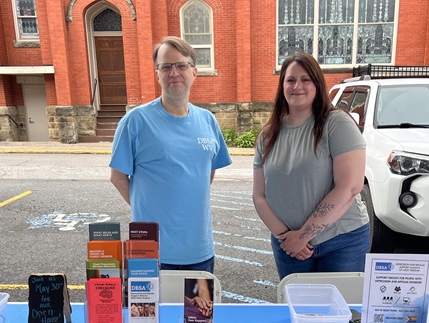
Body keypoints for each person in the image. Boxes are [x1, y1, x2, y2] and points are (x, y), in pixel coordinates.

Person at [109, 36, 232, 273]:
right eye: (166, 66)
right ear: (157, 74)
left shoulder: (207, 120)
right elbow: (117, 177)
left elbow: (208, 170)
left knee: (198, 300)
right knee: (150, 301)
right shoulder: (135, 121)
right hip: (150, 250)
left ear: (194, 72)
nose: (174, 72)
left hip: (199, 248)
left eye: (181, 65)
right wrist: (149, 210)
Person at [252, 52, 369, 280]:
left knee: (341, 304)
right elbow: (259, 196)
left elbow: (350, 187)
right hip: (288, 245)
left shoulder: (337, 123)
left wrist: (303, 236)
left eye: (305, 79)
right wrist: (285, 237)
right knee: (296, 303)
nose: (297, 86)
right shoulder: (267, 135)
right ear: (282, 86)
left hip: (342, 241)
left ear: (317, 84)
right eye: (290, 80)